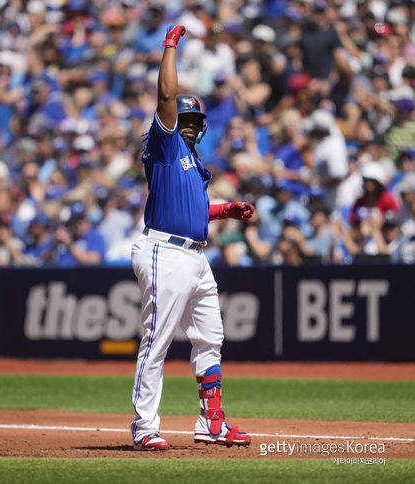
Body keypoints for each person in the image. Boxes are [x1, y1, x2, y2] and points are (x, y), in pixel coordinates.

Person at [130, 25, 254, 451]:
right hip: (163, 249)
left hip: (195, 255)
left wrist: (227, 210)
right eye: (183, 119)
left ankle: (212, 423)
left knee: (210, 336)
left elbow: (197, 211)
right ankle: (144, 427)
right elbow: (165, 98)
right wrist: (169, 46)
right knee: (158, 339)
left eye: (194, 120)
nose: (187, 125)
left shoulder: (192, 162)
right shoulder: (165, 147)